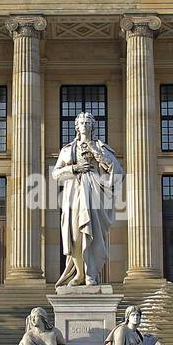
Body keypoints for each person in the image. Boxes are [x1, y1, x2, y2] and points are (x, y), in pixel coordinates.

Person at [52, 111, 123, 286]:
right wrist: (74, 168)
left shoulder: (101, 147)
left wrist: (96, 152)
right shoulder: (67, 149)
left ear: (93, 126)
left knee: (95, 234)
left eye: (88, 122)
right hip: (73, 194)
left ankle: (91, 273)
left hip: (95, 193)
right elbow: (55, 174)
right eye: (81, 123)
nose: (84, 125)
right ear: (76, 126)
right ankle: (79, 274)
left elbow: (117, 171)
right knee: (75, 234)